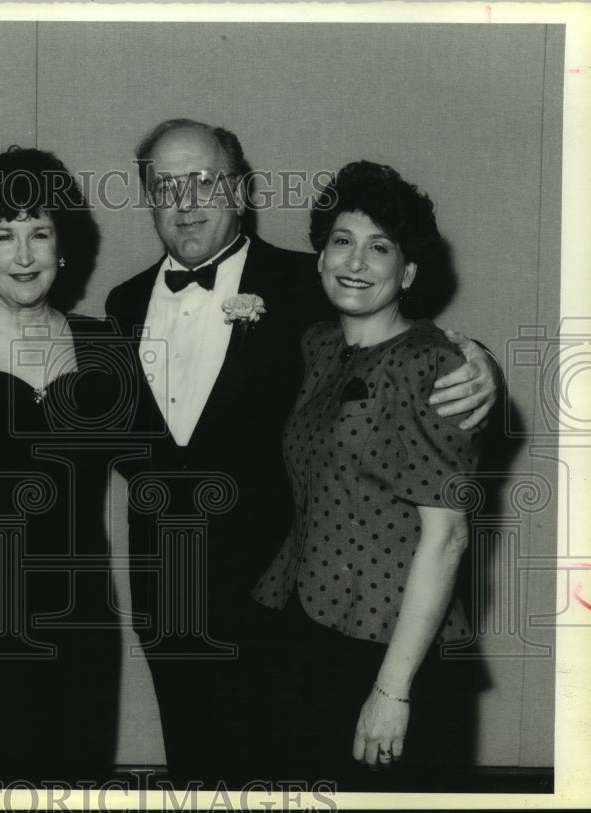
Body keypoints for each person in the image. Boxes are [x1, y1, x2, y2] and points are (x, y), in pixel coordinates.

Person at [104, 119, 498, 786]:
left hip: (286, 608)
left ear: (239, 189)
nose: (187, 201)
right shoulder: (121, 303)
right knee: (196, 775)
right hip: (168, 594)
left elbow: (394, 321)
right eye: (166, 186)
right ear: (147, 198)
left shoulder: (302, 281)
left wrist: (480, 362)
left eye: (204, 181)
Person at [252, 161, 482, 788]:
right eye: (342, 242)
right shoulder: (319, 345)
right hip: (306, 628)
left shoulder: (431, 365)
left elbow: (449, 537)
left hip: (389, 650)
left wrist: (392, 692)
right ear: (320, 258)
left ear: (407, 272)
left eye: (379, 247)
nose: (356, 261)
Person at [0, 146, 121, 781]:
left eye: (41, 232)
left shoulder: (104, 345)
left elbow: (181, 454)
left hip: (79, 622)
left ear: (65, 247)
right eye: (4, 234)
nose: (26, 254)